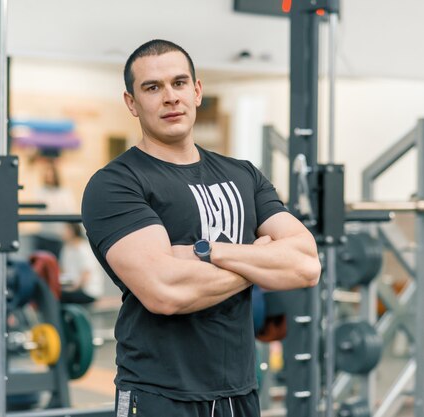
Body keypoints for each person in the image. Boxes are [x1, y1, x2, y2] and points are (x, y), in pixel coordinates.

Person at [81, 39, 320, 417]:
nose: (170, 97)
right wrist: (259, 260)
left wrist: (209, 252)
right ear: (131, 103)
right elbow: (165, 292)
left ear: (196, 91)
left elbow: (306, 264)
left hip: (239, 392)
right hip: (160, 395)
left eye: (179, 83)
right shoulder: (116, 184)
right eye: (152, 87)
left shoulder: (243, 174)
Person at [59, 223, 105, 305]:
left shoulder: (84, 248)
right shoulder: (67, 248)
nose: (62, 233)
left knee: (60, 296)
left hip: (88, 291)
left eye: (65, 230)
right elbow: (63, 270)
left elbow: (86, 273)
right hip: (72, 288)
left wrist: (73, 288)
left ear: (72, 231)